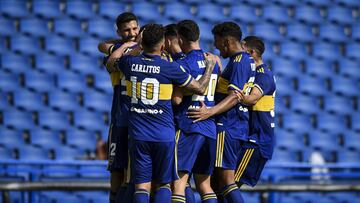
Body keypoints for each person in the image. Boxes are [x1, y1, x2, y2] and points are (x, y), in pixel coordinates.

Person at [106, 24, 216, 203]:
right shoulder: (170, 68)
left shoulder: (129, 64)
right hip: (164, 135)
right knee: (165, 185)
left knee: (141, 186)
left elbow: (112, 62)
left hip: (138, 134)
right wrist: (209, 66)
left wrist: (132, 47)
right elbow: (201, 88)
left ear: (142, 42)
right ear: (163, 45)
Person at [187, 22, 256, 203]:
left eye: (217, 42)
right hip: (236, 127)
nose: (216, 47)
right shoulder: (243, 60)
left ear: (226, 41)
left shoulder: (240, 62)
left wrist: (209, 112)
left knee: (226, 182)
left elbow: (235, 96)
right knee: (219, 184)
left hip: (229, 126)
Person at [171, 20, 221, 203]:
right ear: (198, 36)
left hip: (189, 125)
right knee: (204, 184)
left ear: (180, 39)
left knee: (178, 182)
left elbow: (176, 99)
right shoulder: (213, 61)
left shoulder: (183, 64)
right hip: (209, 128)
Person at [98, 12, 139, 203]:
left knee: (137, 177)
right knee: (117, 172)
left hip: (143, 122)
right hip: (121, 119)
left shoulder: (150, 50)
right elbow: (103, 47)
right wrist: (123, 47)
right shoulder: (117, 53)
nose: (132, 33)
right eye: (127, 30)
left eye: (134, 28)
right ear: (119, 32)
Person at [234, 36, 276, 188]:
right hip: (253, 137)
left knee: (230, 184)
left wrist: (233, 92)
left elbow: (251, 99)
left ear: (251, 53)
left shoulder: (263, 75)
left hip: (258, 140)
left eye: (243, 51)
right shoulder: (255, 73)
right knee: (226, 184)